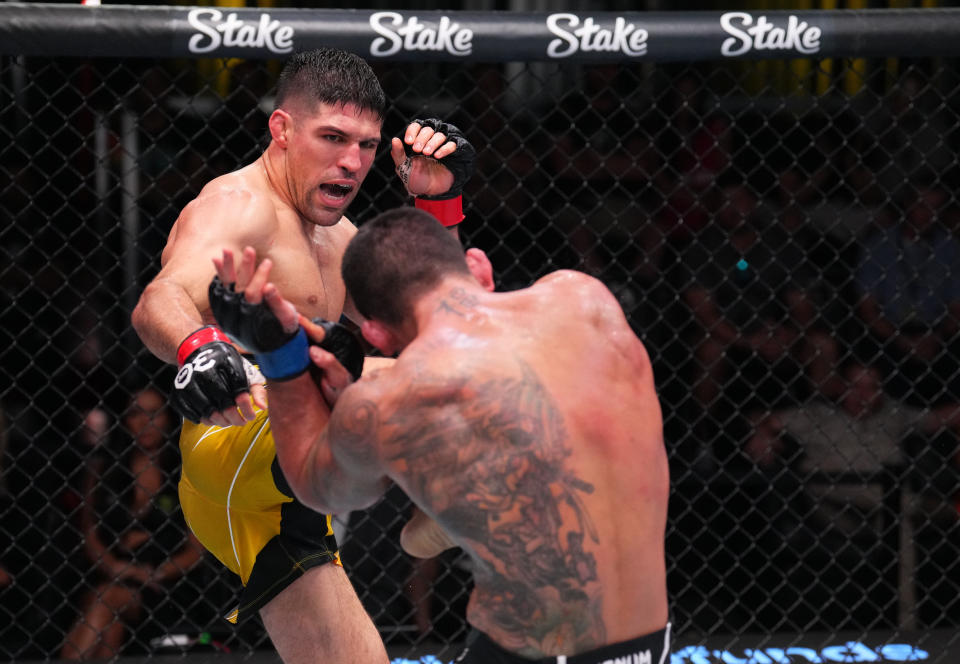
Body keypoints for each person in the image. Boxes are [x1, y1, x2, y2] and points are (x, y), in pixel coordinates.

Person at [130, 47, 475, 664]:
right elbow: (161, 297)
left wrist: (438, 205)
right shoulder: (239, 206)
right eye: (333, 137)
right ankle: (451, 487)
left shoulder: (340, 240)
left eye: (368, 146)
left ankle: (444, 485)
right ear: (282, 130)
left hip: (286, 496)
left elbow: (442, 323)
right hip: (237, 444)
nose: (352, 162)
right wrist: (197, 344)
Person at [209, 206, 672, 663]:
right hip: (652, 645)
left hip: (539, 654)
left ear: (376, 333)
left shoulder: (393, 405)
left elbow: (319, 487)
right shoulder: (584, 298)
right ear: (479, 268)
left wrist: (282, 360)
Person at [60, 386, 205, 660]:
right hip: (110, 573)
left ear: (168, 417)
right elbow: (89, 536)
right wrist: (117, 567)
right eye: (136, 413)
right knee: (109, 619)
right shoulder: (104, 470)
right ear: (125, 420)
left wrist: (154, 573)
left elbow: (196, 551)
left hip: (164, 586)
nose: (145, 422)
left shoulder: (186, 472)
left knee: (105, 600)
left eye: (154, 413)